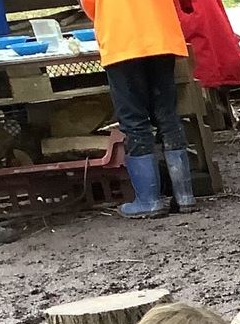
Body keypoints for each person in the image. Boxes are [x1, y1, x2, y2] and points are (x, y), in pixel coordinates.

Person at [82, 0, 197, 218]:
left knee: (134, 119)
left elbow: (89, 5)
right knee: (168, 115)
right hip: (162, 35)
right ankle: (185, 196)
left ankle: (149, 200)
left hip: (121, 38)